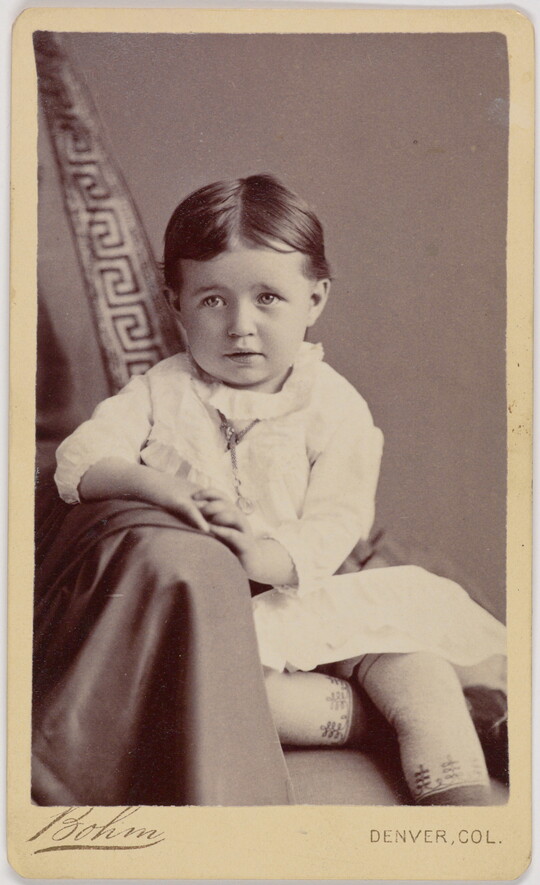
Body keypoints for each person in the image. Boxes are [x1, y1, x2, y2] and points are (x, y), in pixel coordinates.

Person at [50, 174, 507, 805]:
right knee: (201, 701)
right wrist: (154, 487)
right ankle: (373, 722)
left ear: (314, 299)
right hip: (226, 624)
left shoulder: (330, 405)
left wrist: (261, 556)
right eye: (212, 300)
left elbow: (334, 524)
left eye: (268, 298)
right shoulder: (162, 391)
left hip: (312, 591)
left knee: (412, 663)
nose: (241, 326)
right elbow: (77, 462)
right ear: (174, 302)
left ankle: (467, 829)